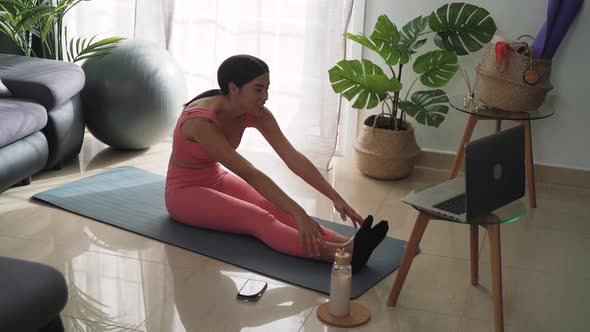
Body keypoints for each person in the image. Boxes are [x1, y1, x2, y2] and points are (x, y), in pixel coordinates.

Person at [165, 54, 388, 272]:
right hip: (184, 191)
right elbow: (250, 173)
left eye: (267, 88)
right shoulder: (200, 122)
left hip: (217, 178)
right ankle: (342, 256)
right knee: (257, 217)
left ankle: (349, 243)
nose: (266, 96)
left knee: (276, 208)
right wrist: (299, 211)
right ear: (233, 88)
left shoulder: (255, 112)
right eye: (258, 89)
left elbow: (292, 157)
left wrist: (335, 197)